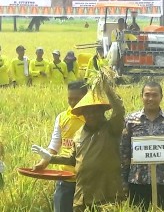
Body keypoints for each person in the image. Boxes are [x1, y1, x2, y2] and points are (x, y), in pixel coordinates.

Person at [32, 78, 125, 211]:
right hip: (82, 194)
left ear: (102, 111)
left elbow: (119, 111)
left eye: (94, 111)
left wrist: (107, 89)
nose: (90, 115)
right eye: (86, 112)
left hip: (105, 194)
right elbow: (72, 159)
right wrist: (49, 158)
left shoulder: (111, 129)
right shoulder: (80, 134)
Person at [121, 81, 164, 210]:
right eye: (147, 95)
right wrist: (123, 181)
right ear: (142, 97)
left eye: (155, 95)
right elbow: (124, 153)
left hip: (163, 182)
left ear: (161, 97)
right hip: (137, 181)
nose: (150, 98)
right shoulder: (130, 121)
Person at [34, 80, 88, 212]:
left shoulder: (92, 118)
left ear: (86, 97)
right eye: (70, 99)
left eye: (78, 99)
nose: (73, 103)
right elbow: (54, 145)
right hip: (65, 178)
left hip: (88, 180)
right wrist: (43, 163)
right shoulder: (62, 117)